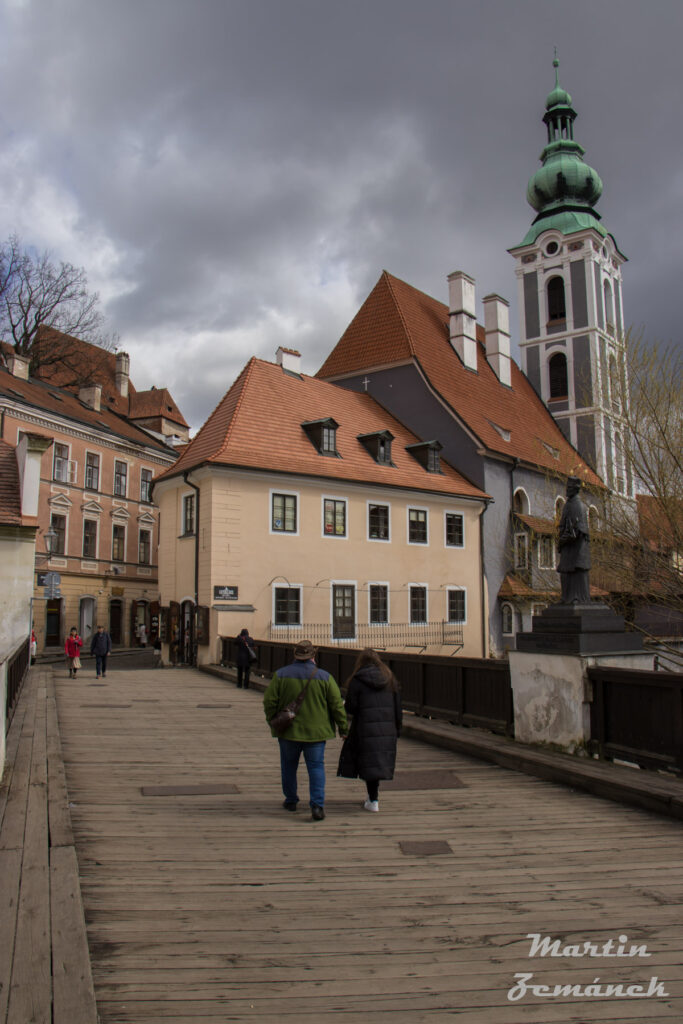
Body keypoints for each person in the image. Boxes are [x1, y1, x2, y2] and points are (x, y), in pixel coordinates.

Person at [263, 640, 347, 821]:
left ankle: (291, 800)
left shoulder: (281, 675)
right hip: (316, 732)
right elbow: (336, 705)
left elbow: (269, 702)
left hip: (288, 731)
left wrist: (273, 720)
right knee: (316, 768)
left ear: (295, 655)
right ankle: (317, 805)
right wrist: (343, 727)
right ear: (313, 656)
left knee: (288, 766)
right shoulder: (325, 677)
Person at [337, 649, 402, 812]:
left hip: (365, 726)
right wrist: (397, 729)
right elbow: (398, 708)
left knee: (369, 761)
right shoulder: (390, 679)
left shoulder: (357, 680)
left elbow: (351, 707)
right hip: (387, 727)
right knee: (377, 761)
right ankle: (373, 797)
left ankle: (373, 799)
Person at [557, 476, 591, 604]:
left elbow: (576, 531)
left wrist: (562, 541)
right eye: (566, 487)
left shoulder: (577, 505)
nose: (566, 490)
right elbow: (565, 526)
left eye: (569, 488)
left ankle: (575, 598)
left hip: (576, 549)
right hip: (569, 547)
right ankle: (567, 597)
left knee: (575, 573)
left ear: (575, 489)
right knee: (565, 572)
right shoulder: (569, 504)